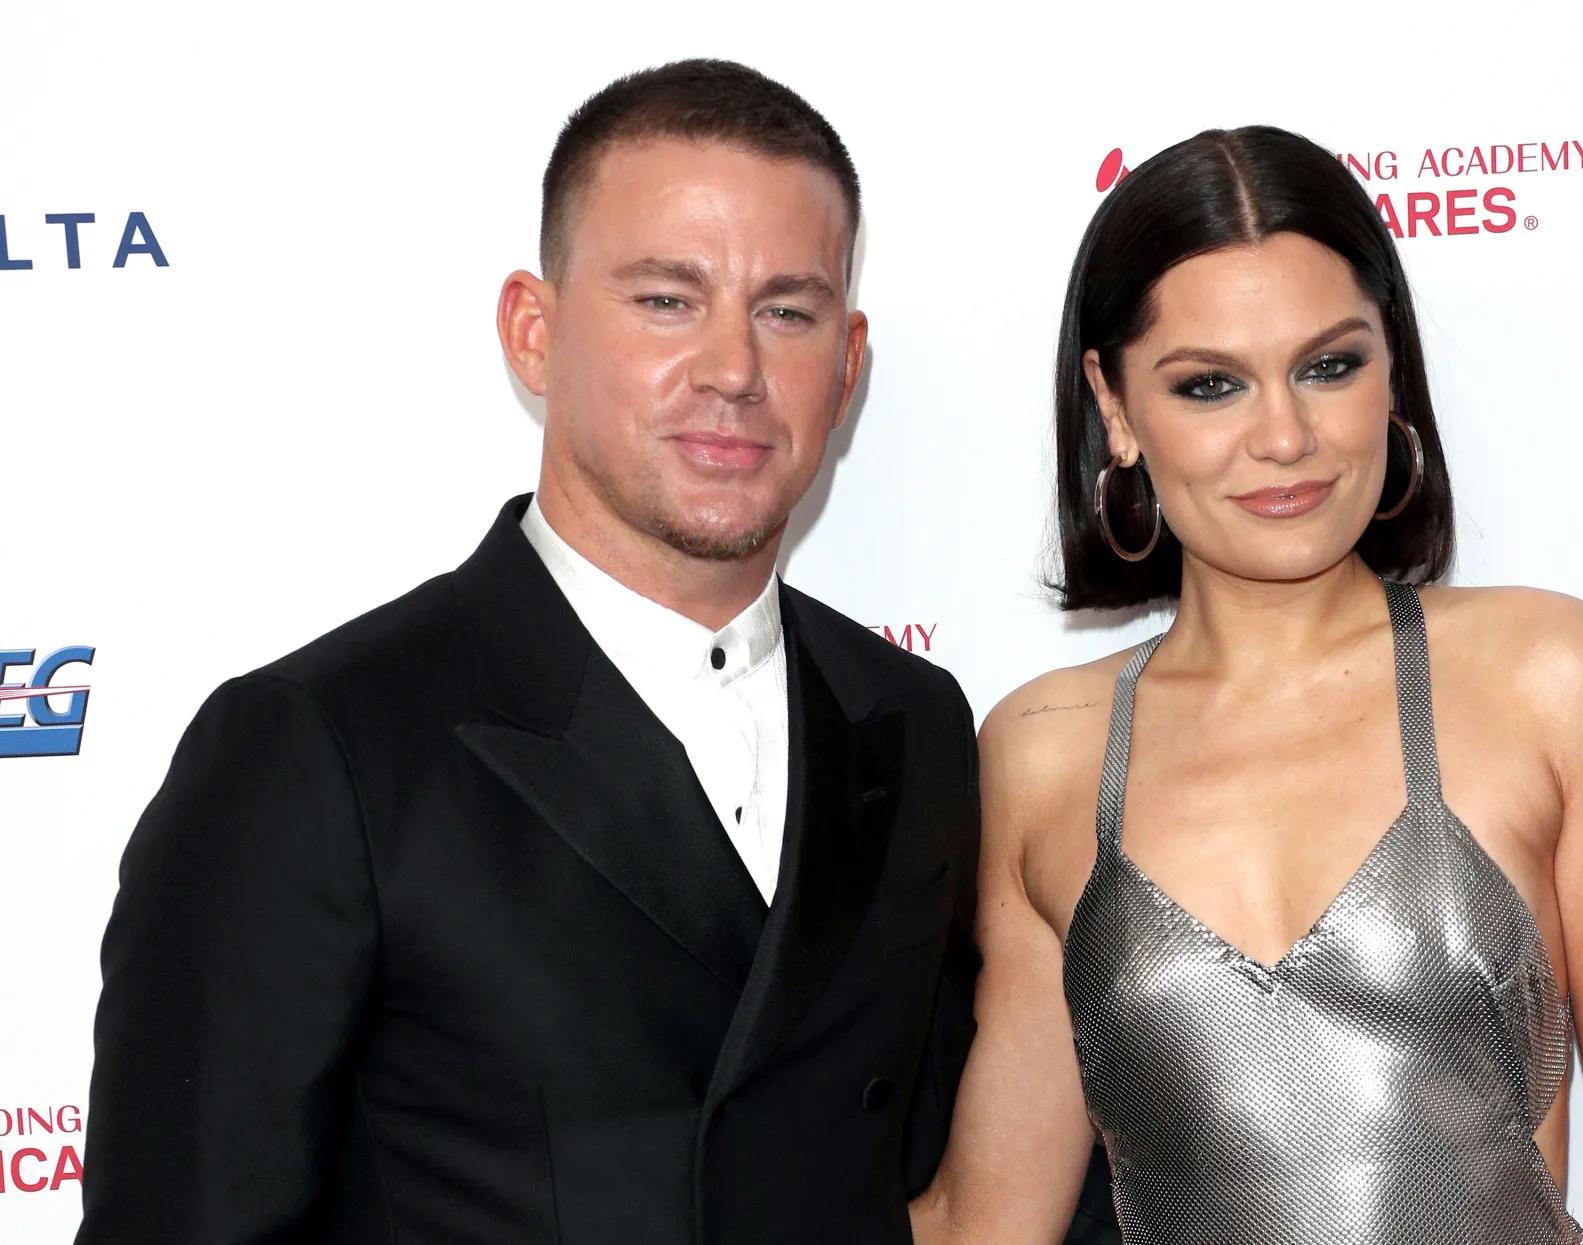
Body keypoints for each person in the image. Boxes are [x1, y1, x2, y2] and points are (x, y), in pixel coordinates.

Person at [79, 60, 986, 1245]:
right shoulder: (322, 749)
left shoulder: (913, 723)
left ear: (848, 364)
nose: (734, 370)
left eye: (787, 311)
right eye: (666, 300)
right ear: (534, 332)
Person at [910, 126, 1583, 1244]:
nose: (1285, 436)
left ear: (1390, 367)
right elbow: (986, 1222)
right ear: (1116, 408)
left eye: (1328, 366)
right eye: (1210, 385)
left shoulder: (1550, 678)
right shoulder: (1046, 748)